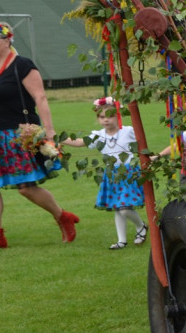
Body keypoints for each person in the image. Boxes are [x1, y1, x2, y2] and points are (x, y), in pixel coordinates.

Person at [0, 22, 79, 252]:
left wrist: (50, 131)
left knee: (25, 187)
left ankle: (62, 216)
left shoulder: (22, 65)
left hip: (20, 135)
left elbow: (40, 98)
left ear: (7, 40)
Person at [62, 97, 147, 250]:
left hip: (127, 173)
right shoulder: (99, 135)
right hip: (111, 175)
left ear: (118, 115)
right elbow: (80, 142)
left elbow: (142, 144)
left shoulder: (127, 131)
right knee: (117, 208)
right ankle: (122, 240)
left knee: (125, 208)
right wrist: (59, 139)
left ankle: (141, 226)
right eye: (102, 117)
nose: (106, 120)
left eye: (110, 116)